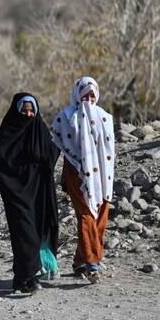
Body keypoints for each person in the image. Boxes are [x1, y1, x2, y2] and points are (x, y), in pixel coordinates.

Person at [50, 77, 115, 284]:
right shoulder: (66, 117)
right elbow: (56, 141)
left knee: (101, 217)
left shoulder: (105, 117)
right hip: (76, 174)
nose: (88, 98)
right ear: (77, 95)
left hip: (103, 176)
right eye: (84, 94)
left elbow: (109, 150)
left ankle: (80, 259)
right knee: (87, 216)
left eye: (92, 94)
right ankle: (92, 263)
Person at [0, 93, 60, 294]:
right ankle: (29, 276)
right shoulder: (7, 134)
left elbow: (52, 154)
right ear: (16, 111)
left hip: (39, 192)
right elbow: (1, 159)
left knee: (37, 233)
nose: (28, 114)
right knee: (25, 234)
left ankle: (21, 278)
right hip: (16, 193)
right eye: (24, 111)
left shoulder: (39, 129)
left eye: (32, 111)